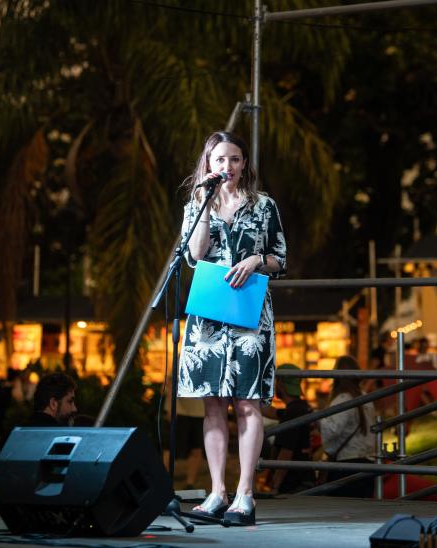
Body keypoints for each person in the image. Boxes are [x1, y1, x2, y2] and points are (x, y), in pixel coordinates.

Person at [178, 131, 287, 526]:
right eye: (220, 159)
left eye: (235, 159)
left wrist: (257, 259)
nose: (228, 167)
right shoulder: (196, 203)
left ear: (245, 164)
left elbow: (281, 259)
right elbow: (194, 254)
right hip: (208, 315)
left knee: (247, 403)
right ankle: (216, 492)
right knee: (212, 404)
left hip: (249, 312)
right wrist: (206, 205)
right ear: (208, 164)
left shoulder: (264, 206)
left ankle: (245, 494)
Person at [0, 372, 77, 474]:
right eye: (70, 402)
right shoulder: (63, 441)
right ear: (53, 403)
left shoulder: (11, 436)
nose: (74, 408)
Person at [319, 356, 376, 498]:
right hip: (368, 462)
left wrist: (317, 420)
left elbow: (332, 430)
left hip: (346, 464)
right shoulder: (365, 397)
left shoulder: (343, 399)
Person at [265, 363, 314, 494]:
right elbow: (273, 412)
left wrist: (275, 486)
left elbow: (286, 453)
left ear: (280, 384)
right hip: (305, 478)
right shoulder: (302, 408)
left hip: (292, 484)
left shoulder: (292, 413)